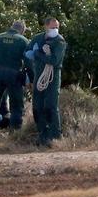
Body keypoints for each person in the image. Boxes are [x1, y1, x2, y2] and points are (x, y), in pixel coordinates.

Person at [0, 21, 30, 141]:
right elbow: (28, 62)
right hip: (14, 74)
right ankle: (14, 135)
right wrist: (31, 77)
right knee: (16, 106)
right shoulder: (23, 40)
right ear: (22, 29)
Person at [26, 18, 68, 147]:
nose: (55, 30)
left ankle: (55, 134)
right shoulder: (38, 38)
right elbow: (27, 51)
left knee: (50, 105)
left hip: (53, 76)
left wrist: (38, 54)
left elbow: (54, 61)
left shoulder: (59, 41)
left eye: (57, 27)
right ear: (46, 26)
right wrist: (32, 54)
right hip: (39, 75)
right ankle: (42, 134)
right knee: (37, 106)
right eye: (52, 27)